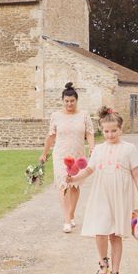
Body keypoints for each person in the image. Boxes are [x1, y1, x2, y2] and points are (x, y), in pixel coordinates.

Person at [70, 106, 138, 274]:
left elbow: (136, 173)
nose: (110, 135)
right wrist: (73, 177)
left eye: (114, 131)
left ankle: (115, 272)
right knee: (101, 229)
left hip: (120, 195)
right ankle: (103, 264)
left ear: (121, 129)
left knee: (115, 234)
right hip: (101, 193)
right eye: (106, 131)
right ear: (101, 130)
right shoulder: (98, 149)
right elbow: (89, 169)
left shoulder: (129, 148)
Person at [40, 82, 95, 233]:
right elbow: (51, 136)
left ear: (76, 100)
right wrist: (44, 153)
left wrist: (91, 148)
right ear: (63, 101)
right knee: (64, 185)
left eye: (72, 101)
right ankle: (66, 220)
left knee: (75, 186)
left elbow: (89, 133)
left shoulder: (84, 115)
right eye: (66, 101)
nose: (69, 104)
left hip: (78, 156)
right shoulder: (56, 116)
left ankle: (71, 215)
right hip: (61, 156)